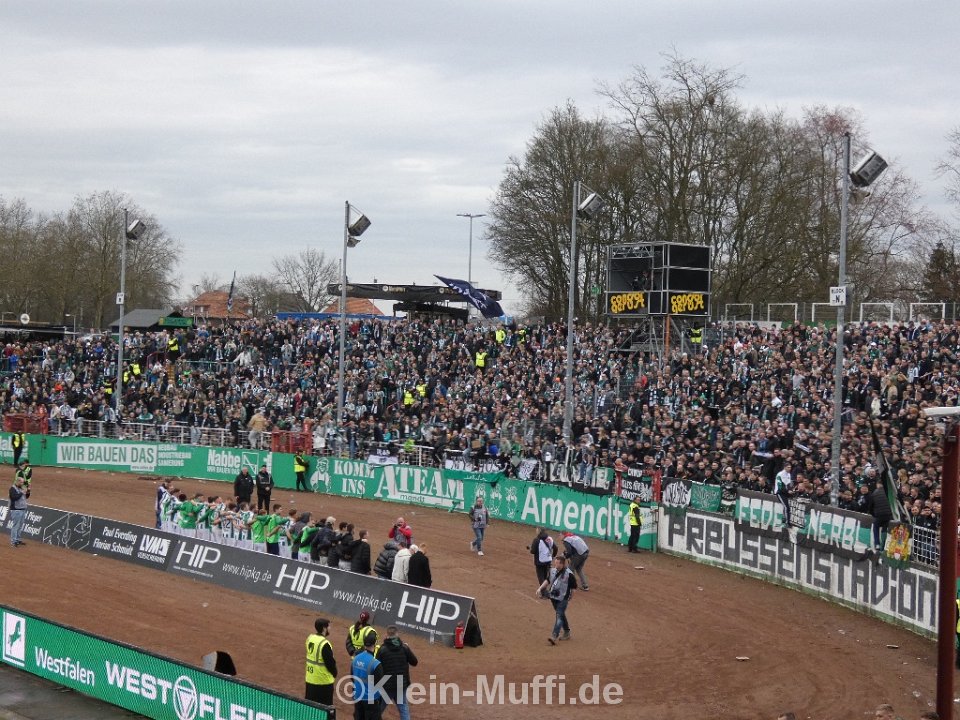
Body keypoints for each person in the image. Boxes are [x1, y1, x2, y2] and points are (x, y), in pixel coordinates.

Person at [375, 626, 418, 720]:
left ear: (387, 635)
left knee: (378, 711)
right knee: (404, 710)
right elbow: (414, 662)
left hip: (387, 685)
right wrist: (408, 649)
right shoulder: (404, 648)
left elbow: (376, 667)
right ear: (397, 634)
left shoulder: (382, 650)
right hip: (401, 684)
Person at [537, 555, 577, 645]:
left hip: (563, 599)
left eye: (557, 563)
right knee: (561, 615)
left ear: (562, 564)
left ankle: (554, 636)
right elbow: (548, 580)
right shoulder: (553, 571)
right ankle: (567, 632)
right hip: (553, 597)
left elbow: (574, 587)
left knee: (559, 616)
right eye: (555, 562)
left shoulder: (569, 574)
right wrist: (540, 588)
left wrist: (571, 596)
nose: (555, 564)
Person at [351, 631, 384, 720]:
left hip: (358, 696)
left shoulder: (355, 659)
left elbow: (352, 677)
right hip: (371, 700)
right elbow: (380, 684)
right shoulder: (376, 663)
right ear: (375, 644)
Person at [305, 618, 337, 706]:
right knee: (325, 710)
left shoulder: (310, 638)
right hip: (323, 682)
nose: (329, 628)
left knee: (311, 709)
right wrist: (335, 673)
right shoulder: (324, 643)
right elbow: (330, 663)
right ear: (324, 628)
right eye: (328, 626)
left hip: (310, 679)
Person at [866, 479, 894, 551]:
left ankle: (877, 544)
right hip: (889, 515)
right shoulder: (889, 492)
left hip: (879, 515)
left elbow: (870, 506)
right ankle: (883, 545)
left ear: (878, 484)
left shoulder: (875, 493)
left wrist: (873, 514)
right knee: (885, 529)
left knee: (876, 527)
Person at [9, 474, 29, 547]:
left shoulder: (21, 488)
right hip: (16, 510)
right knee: (15, 526)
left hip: (23, 509)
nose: (22, 484)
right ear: (17, 481)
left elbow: (26, 497)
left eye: (23, 482)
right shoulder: (12, 489)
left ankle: (17, 539)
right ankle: (13, 541)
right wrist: (22, 492)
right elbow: (14, 498)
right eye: (21, 482)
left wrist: (28, 491)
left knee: (20, 526)